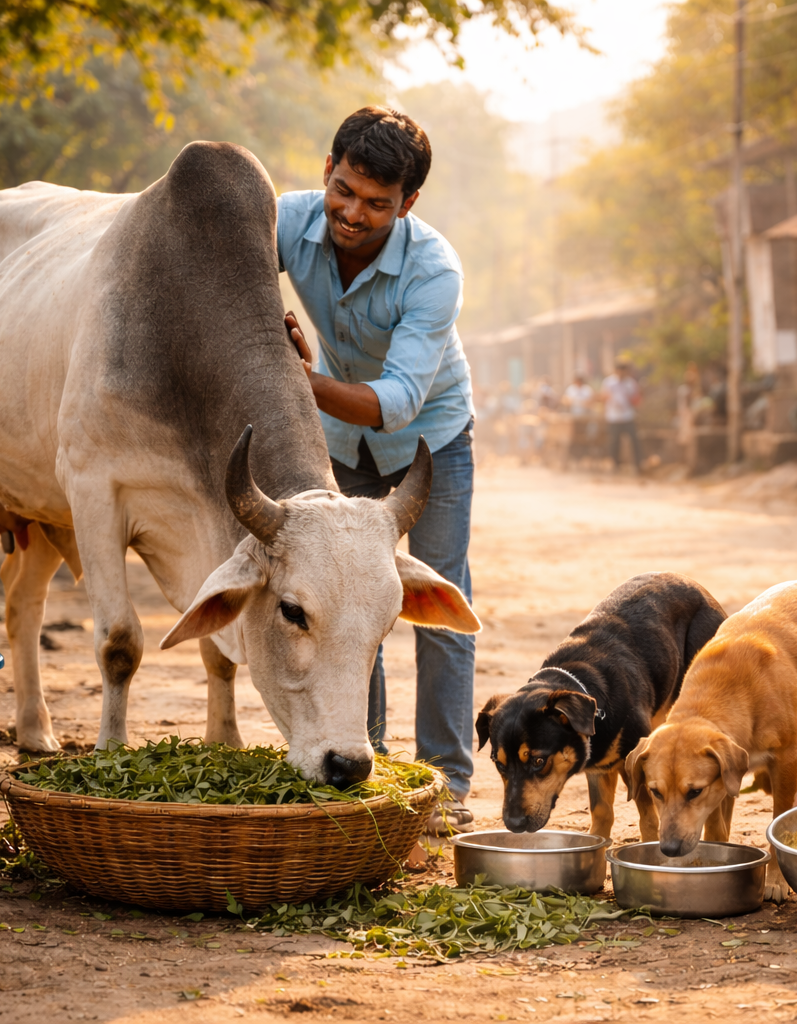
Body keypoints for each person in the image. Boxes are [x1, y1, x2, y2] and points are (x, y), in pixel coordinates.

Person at [278, 106, 476, 834]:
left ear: (409, 205)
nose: (352, 215)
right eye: (344, 191)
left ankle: (447, 783)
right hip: (337, 436)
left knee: (440, 606)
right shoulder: (286, 221)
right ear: (326, 169)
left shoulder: (434, 271)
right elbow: (220, 279)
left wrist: (297, 379)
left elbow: (396, 402)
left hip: (431, 439)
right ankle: (370, 762)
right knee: (346, 605)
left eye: (377, 204)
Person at [601, 361, 642, 472]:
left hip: (627, 416)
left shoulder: (631, 383)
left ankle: (638, 464)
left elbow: (636, 399)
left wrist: (631, 401)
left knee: (634, 440)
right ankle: (615, 465)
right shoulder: (609, 382)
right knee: (614, 442)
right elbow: (603, 397)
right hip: (613, 417)